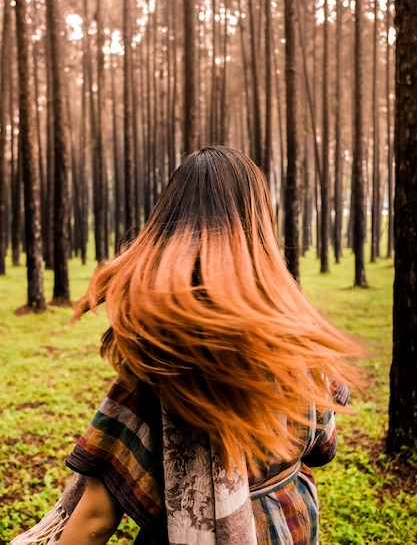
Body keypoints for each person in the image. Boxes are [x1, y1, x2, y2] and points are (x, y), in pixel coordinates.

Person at [12, 146, 363, 545]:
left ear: (167, 229)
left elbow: (95, 518)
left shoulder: (164, 364)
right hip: (292, 526)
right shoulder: (295, 335)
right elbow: (323, 446)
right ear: (259, 227)